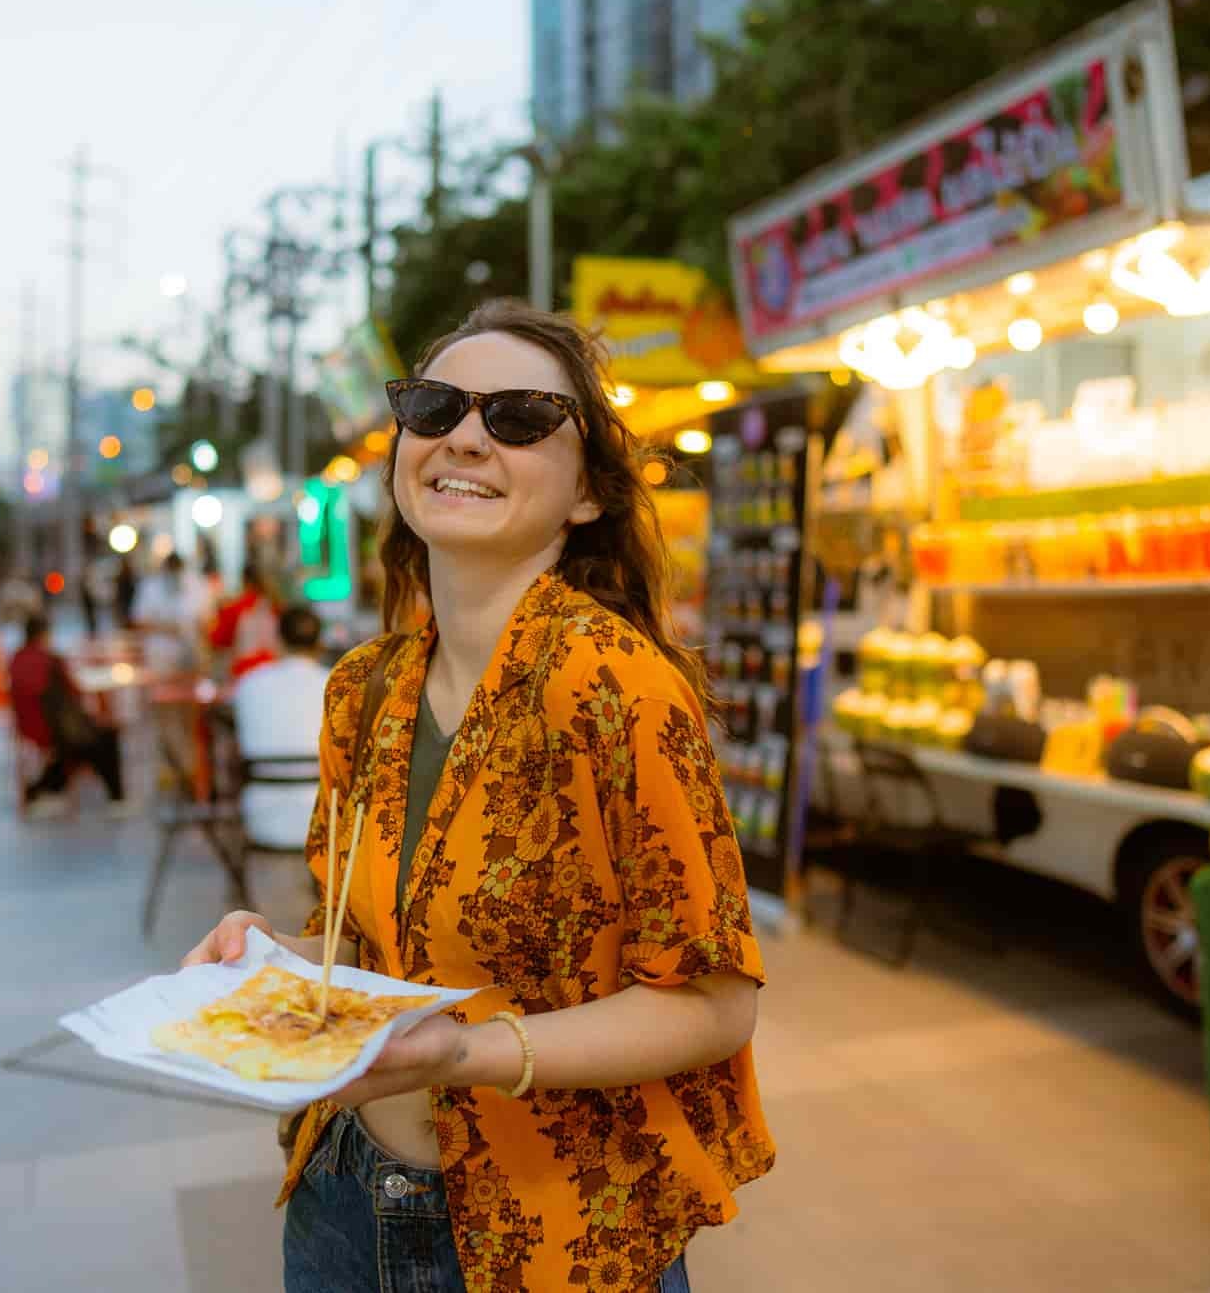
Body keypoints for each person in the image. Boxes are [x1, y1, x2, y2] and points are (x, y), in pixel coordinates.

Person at [183, 301, 772, 1293]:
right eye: (438, 405)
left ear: (588, 493)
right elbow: (370, 951)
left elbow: (715, 1004)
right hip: (345, 1196)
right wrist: (266, 956)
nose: (464, 433)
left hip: (553, 1227)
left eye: (521, 416)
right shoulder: (363, 687)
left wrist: (468, 1053)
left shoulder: (617, 686)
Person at [231, 605, 332, 850]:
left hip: (260, 819)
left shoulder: (248, 684)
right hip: (327, 824)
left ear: (277, 640)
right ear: (320, 644)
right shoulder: (337, 684)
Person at [7, 614, 127, 815]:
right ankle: (117, 799)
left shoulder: (16, 659)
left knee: (79, 748)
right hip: (58, 729)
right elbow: (75, 689)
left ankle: (41, 790)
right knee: (105, 737)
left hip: (27, 727)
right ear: (44, 635)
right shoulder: (51, 660)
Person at [132, 552, 210, 675]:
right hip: (160, 654)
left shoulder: (197, 585)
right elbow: (139, 621)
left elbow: (207, 620)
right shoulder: (150, 586)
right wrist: (167, 628)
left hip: (192, 652)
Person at [209, 557, 282, 680]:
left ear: (244, 580)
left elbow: (218, 641)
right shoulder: (276, 607)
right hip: (273, 670)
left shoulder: (235, 609)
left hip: (243, 674)